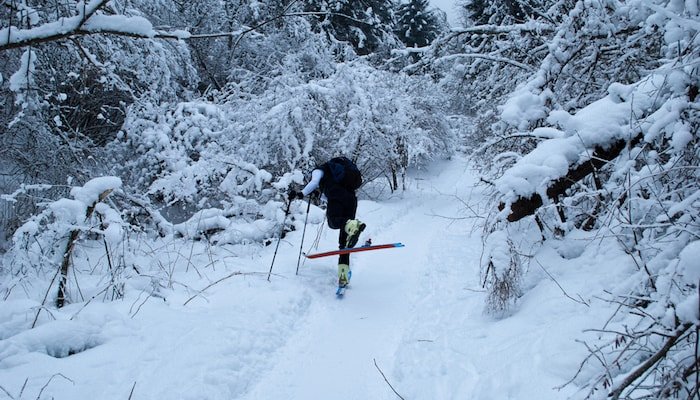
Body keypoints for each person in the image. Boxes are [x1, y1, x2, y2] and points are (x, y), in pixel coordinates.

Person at [289, 157, 366, 288]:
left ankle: (351, 225)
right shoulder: (336, 175)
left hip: (337, 196)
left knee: (333, 222)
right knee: (344, 241)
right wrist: (319, 195)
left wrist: (301, 194)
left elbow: (314, 182)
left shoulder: (319, 170)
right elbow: (326, 197)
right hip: (351, 199)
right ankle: (343, 274)